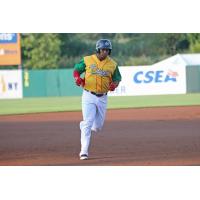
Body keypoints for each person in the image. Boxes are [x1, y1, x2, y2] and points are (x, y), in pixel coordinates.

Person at [73, 39, 122, 160]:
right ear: (98, 49)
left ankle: (84, 125)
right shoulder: (87, 60)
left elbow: (117, 79)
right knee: (88, 123)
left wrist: (114, 85)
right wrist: (77, 78)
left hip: (102, 97)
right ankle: (83, 151)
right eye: (102, 49)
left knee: (97, 127)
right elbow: (76, 70)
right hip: (88, 95)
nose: (104, 52)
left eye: (107, 50)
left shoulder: (113, 64)